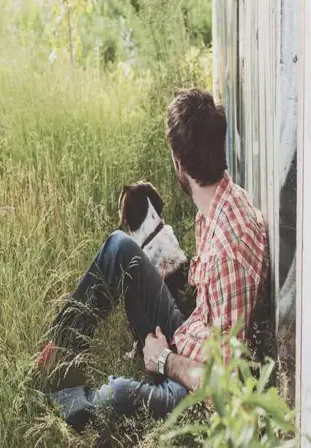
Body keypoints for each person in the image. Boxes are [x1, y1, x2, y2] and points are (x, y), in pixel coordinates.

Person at [35, 89, 269, 427]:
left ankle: (53, 406)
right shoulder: (222, 202)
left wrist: (164, 360)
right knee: (119, 247)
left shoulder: (226, 253)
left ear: (179, 163)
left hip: (194, 390)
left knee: (115, 394)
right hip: (193, 339)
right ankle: (58, 349)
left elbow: (226, 389)